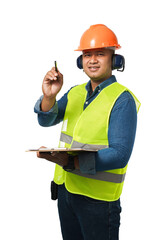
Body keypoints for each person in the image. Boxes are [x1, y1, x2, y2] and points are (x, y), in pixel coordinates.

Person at [34, 24, 140, 240]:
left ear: (115, 60)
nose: (92, 60)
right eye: (87, 55)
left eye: (100, 54)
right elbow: (46, 120)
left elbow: (120, 154)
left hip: (98, 202)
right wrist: (49, 96)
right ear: (80, 61)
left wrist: (72, 162)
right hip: (66, 192)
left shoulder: (122, 100)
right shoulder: (74, 92)